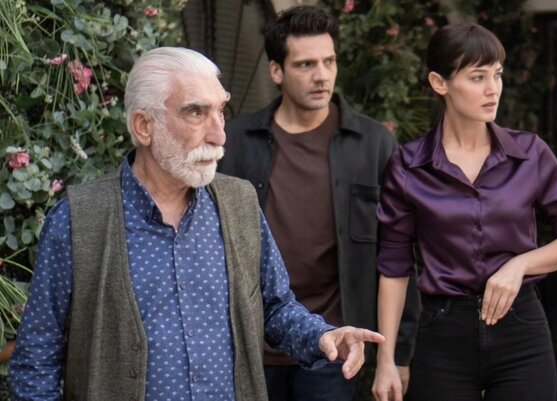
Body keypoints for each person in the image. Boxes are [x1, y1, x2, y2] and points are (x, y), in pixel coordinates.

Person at [9, 46, 385, 401]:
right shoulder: (79, 219)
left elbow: (275, 307)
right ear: (144, 125)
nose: (219, 134)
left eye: (220, 111)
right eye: (196, 113)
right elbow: (36, 359)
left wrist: (321, 336)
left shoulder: (239, 203)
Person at [371, 23, 557, 401]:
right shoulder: (408, 167)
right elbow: (394, 268)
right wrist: (386, 359)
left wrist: (519, 265)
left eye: (497, 74)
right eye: (478, 77)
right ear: (440, 83)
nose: (493, 89)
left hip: (521, 331)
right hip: (442, 336)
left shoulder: (531, 154)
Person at [218, 5, 419, 401]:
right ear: (276, 71)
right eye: (306, 64)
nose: (322, 75)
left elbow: (400, 252)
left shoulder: (374, 145)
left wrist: (397, 355)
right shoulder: (236, 143)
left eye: (329, 61)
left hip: (336, 344)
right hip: (251, 345)